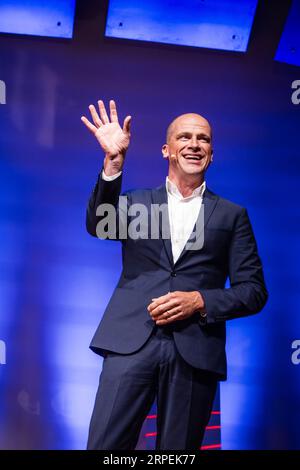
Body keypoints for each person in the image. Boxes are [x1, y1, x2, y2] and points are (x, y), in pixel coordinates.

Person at [81, 100, 268, 450]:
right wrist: (113, 164)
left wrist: (200, 301)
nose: (194, 144)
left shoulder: (232, 215)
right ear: (167, 150)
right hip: (129, 343)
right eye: (185, 137)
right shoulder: (137, 202)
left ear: (212, 153)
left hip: (194, 350)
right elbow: (98, 224)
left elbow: (254, 290)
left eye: (203, 139)